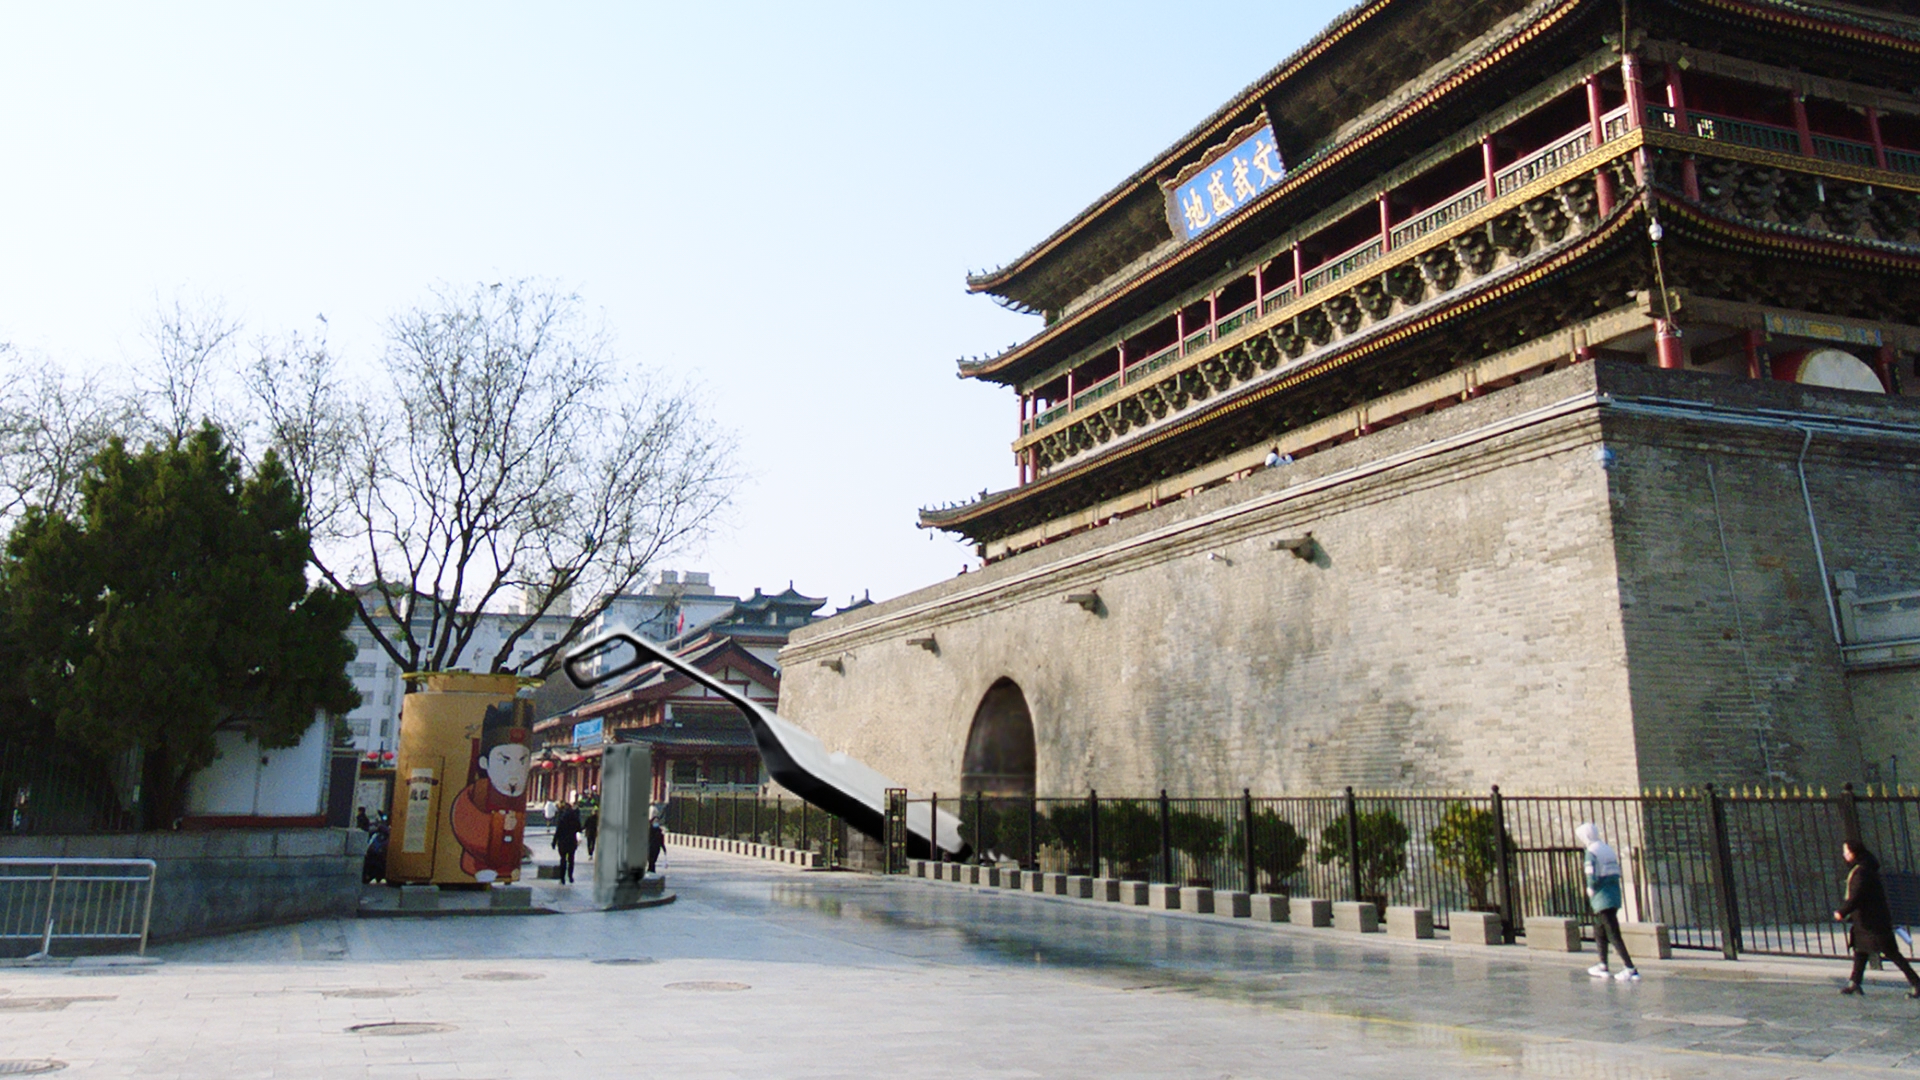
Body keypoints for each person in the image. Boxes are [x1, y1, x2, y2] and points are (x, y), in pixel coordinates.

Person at [1834, 839, 1920, 997]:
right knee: (1860, 951)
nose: (1844, 854)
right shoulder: (1863, 868)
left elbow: (1857, 896)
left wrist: (1842, 911)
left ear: (1854, 852)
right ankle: (1855, 982)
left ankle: (1917, 983)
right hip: (1865, 922)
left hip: (1873, 922)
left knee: (1891, 952)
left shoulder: (1862, 871)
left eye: (1846, 851)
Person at [1575, 822, 1638, 982]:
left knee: (1612, 932)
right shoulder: (1606, 849)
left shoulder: (1591, 852)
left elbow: (1591, 874)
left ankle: (1630, 968)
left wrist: (1590, 889)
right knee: (1599, 930)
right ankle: (1603, 964)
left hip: (1601, 896)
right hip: (1613, 893)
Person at [552, 801, 583, 884]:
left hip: (562, 841)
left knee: (562, 859)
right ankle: (570, 876)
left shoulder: (562, 818)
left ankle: (562, 878)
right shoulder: (575, 818)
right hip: (572, 841)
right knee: (571, 859)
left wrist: (554, 842)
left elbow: (558, 831)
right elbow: (579, 829)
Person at [647, 805, 665, 874]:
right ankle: (651, 870)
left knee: (653, 860)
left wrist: (663, 848)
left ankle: (651, 870)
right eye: (655, 822)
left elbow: (661, 840)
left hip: (656, 847)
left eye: (657, 822)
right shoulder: (649, 830)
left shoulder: (659, 831)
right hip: (650, 847)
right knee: (651, 860)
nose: (656, 823)